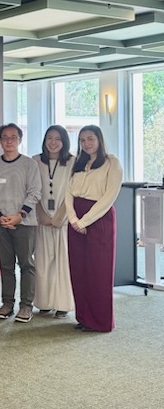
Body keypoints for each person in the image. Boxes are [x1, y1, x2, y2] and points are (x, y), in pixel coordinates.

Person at [66, 125, 123, 333]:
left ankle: (99, 321)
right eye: (82, 140)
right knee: (79, 270)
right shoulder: (79, 163)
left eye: (90, 139)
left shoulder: (111, 162)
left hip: (99, 218)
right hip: (75, 218)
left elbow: (109, 197)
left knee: (98, 271)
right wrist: (73, 219)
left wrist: (84, 221)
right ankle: (83, 317)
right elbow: (68, 192)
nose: (86, 143)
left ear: (99, 139)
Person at [0, 123, 42, 323]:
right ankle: (7, 304)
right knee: (6, 265)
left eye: (13, 137)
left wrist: (20, 215)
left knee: (26, 264)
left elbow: (35, 192)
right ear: (0, 141)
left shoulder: (29, 164)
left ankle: (26, 306)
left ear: (20, 140)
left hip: (25, 223)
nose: (9, 141)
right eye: (5, 137)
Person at [33, 125, 75, 319]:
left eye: (58, 139)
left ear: (64, 141)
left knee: (62, 262)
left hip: (63, 220)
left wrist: (60, 216)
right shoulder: (35, 161)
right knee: (42, 262)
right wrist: (41, 213)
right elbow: (31, 190)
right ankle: (44, 302)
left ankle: (62, 304)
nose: (53, 142)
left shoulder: (72, 162)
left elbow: (73, 191)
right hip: (41, 219)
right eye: (50, 138)